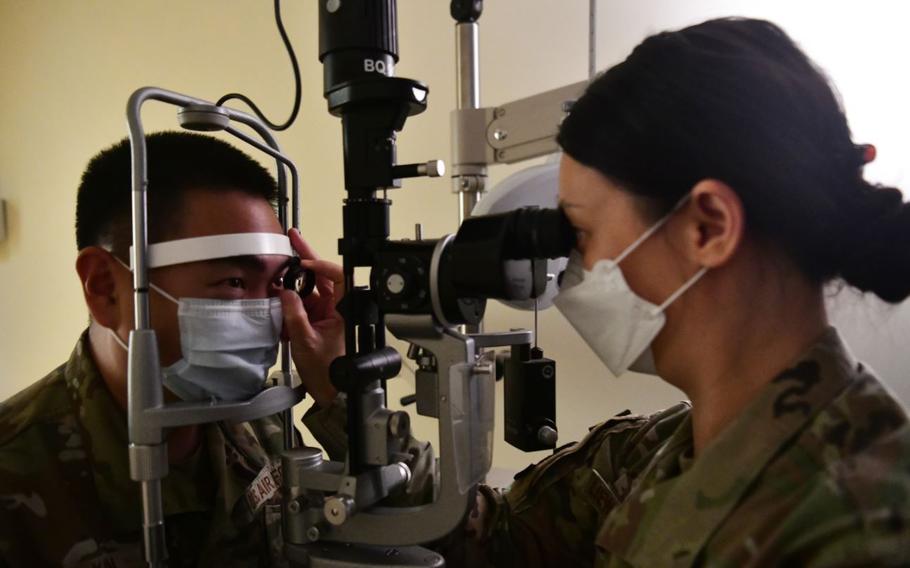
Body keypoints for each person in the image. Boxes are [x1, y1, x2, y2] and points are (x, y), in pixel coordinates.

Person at [301, 17, 910, 567]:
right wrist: (335, 383)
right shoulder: (651, 454)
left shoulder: (861, 525)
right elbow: (489, 539)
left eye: (582, 231)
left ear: (708, 227)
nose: (571, 266)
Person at [0, 132, 347, 567]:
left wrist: (340, 391)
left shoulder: (262, 423)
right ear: (106, 289)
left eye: (280, 285)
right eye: (235, 283)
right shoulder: (15, 472)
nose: (276, 317)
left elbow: (438, 538)